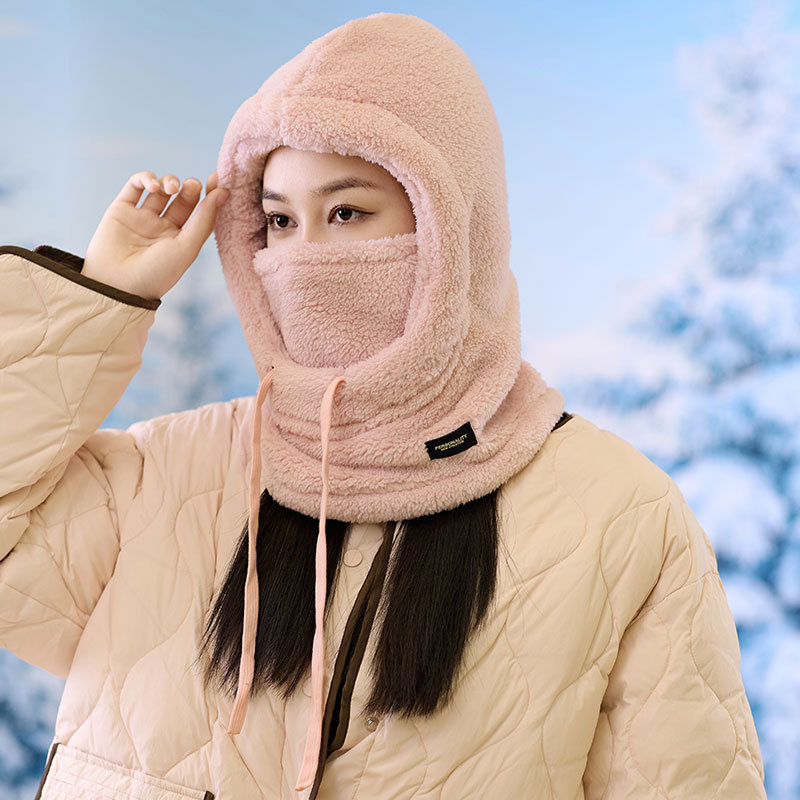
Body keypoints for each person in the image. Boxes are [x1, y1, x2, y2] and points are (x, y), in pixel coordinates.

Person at [0, 11, 767, 800]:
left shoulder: (620, 516)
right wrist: (101, 296)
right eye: (279, 221)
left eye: (347, 212)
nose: (303, 257)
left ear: (453, 227)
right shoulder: (169, 474)